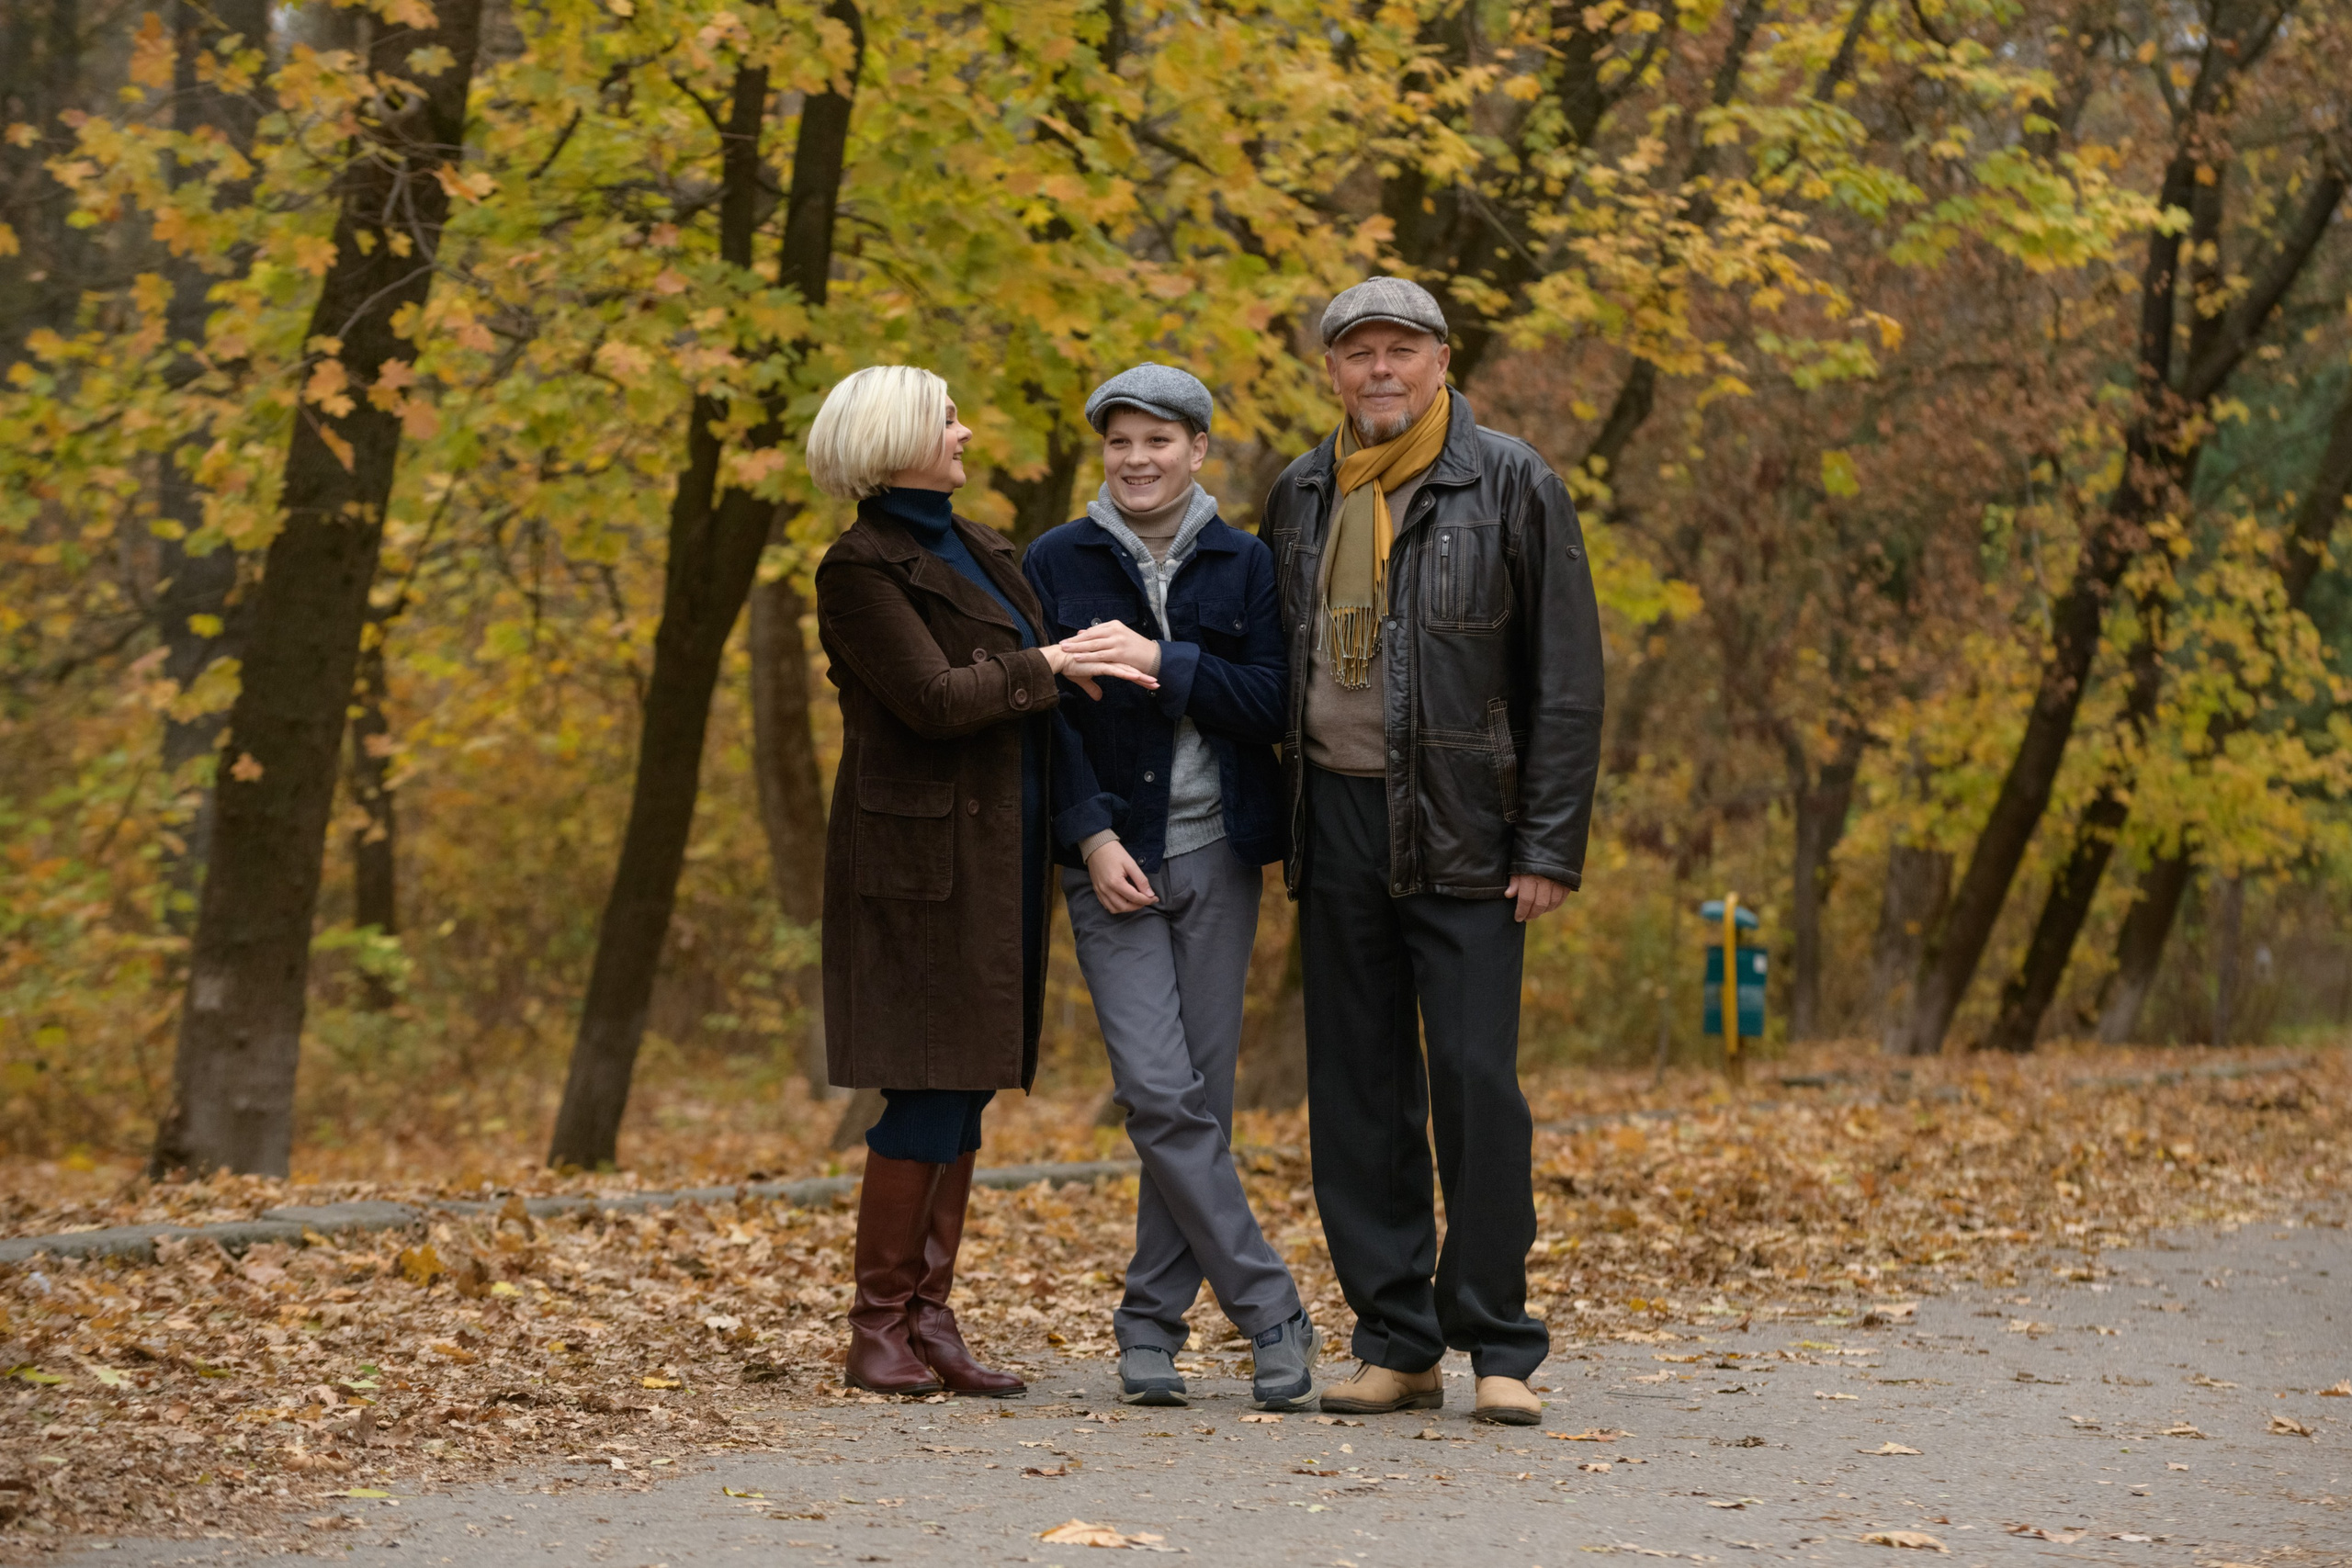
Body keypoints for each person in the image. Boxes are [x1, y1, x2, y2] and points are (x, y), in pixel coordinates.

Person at [1260, 277, 1604, 1427]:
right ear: (1332, 372)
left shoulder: (1512, 482)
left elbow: (1565, 680)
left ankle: (1499, 1342)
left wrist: (1548, 842)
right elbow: (1279, 671)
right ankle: (1396, 1340)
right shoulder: (1301, 493)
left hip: (1468, 831)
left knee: (1472, 1090)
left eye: (1400, 350)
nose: (1379, 371)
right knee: (1357, 1096)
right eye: (1357, 353)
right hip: (1340, 824)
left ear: (1443, 361)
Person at [808, 365, 1157, 1397]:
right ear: (896, 436)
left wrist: (1063, 694)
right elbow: (930, 699)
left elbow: (1026, 704)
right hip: (912, 868)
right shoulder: (858, 568)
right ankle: (878, 1326)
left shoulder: (989, 547)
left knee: (963, 1089)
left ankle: (930, 1320)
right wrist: (1045, 665)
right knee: (922, 1085)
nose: (967, 432)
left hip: (997, 855)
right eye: (948, 418)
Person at [1023, 365, 1316, 1411]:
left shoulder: (1248, 565)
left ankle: (1150, 1327)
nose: (1137, 460)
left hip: (1220, 853)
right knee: (1155, 1091)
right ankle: (1271, 1308)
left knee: (1199, 1103)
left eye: (1158, 441)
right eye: (1119, 443)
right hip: (1113, 860)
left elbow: (1277, 701)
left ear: (1200, 450)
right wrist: (1090, 837)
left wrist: (1162, 657)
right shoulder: (1056, 559)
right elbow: (1040, 719)